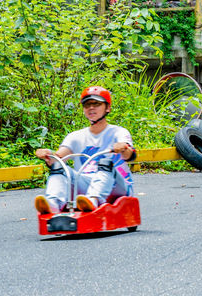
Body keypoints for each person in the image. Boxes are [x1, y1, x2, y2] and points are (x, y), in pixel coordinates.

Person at [34, 86, 136, 214]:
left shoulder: (118, 132)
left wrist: (123, 148)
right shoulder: (75, 137)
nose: (91, 108)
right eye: (87, 105)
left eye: (96, 104)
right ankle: (53, 203)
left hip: (118, 186)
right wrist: (48, 155)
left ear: (107, 108)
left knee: (105, 163)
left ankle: (93, 200)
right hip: (86, 186)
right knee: (59, 168)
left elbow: (129, 155)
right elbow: (58, 159)